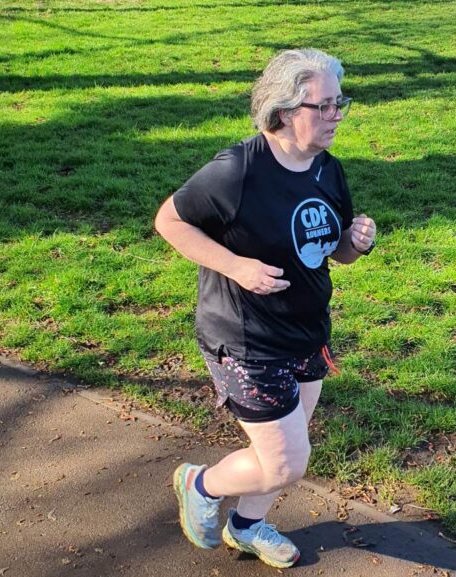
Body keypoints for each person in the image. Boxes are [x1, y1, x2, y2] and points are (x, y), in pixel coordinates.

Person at [154, 48, 376, 569]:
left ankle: (247, 526)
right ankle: (200, 483)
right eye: (323, 106)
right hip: (245, 338)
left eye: (339, 103)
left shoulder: (328, 170)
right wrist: (235, 265)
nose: (335, 116)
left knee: (280, 453)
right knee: (286, 462)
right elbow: (170, 221)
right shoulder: (238, 170)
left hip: (306, 331)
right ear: (282, 111)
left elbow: (330, 252)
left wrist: (354, 242)